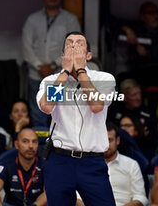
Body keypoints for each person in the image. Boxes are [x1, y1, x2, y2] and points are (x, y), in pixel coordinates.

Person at [37, 31, 116, 205]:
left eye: (79, 43)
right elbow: (47, 107)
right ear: (63, 55)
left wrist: (80, 70)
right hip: (59, 160)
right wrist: (65, 71)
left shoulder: (104, 78)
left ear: (88, 55)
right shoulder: (50, 81)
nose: (74, 46)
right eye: (69, 44)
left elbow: (96, 106)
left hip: (92, 161)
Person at [22, 0, 81, 127]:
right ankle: (40, 148)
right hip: (37, 76)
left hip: (60, 76)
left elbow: (75, 46)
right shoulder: (32, 19)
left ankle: (58, 148)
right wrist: (39, 66)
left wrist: (54, 65)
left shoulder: (70, 19)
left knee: (60, 116)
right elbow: (26, 46)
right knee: (38, 115)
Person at [121, 1, 158, 88]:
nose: (155, 16)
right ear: (142, 17)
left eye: (157, 13)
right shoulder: (137, 28)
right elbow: (113, 22)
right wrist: (128, 30)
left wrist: (148, 52)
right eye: (151, 13)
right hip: (140, 70)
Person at [0, 127, 47, 206]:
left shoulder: (45, 165)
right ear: (16, 144)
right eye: (25, 141)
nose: (31, 146)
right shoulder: (6, 163)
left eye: (34, 142)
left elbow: (48, 193)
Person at [108, 78, 158, 157]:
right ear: (124, 97)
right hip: (117, 153)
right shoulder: (114, 111)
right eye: (134, 95)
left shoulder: (148, 113)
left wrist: (139, 136)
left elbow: (153, 142)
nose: (138, 98)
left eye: (139, 93)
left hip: (142, 153)